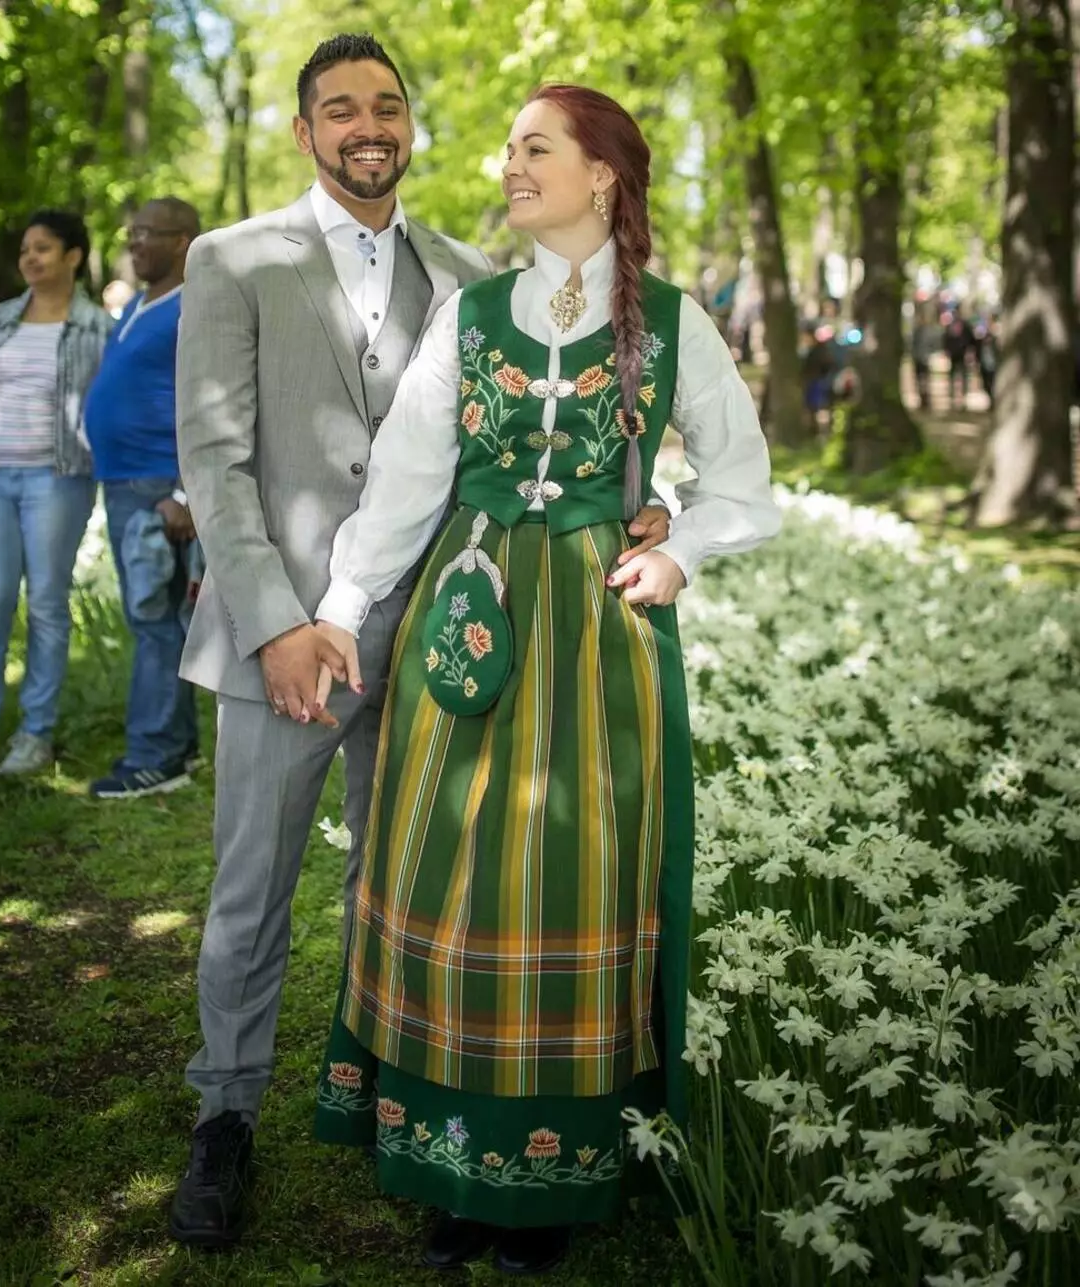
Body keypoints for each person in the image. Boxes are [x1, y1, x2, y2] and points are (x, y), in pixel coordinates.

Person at [168, 34, 674, 1249]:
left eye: (386, 105)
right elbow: (217, 463)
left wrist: (654, 501)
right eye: (340, 109)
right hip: (283, 641)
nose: (366, 125)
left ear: (411, 127)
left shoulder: (464, 276)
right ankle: (224, 1117)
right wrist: (280, 624)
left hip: (446, 648)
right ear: (305, 133)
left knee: (400, 889)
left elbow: (504, 451)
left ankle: (399, 1105)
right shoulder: (230, 261)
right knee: (254, 890)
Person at [308, 85, 781, 1276]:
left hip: (599, 636)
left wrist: (679, 549)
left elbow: (745, 483)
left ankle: (554, 1182)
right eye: (510, 146)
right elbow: (408, 484)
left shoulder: (672, 323)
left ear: (603, 176)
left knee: (571, 884)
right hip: (471, 618)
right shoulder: (471, 319)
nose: (509, 165)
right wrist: (343, 612)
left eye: (535, 149)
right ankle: (449, 1168)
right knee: (447, 866)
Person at [0, 210, 112, 784]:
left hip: (57, 481)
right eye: (24, 250)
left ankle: (35, 734)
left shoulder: (96, 327)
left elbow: (109, 407)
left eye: (43, 248)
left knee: (44, 606)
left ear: (73, 257)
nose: (30, 258)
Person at [84, 198, 202, 799]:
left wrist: (186, 491)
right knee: (155, 619)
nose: (133, 244)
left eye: (145, 234)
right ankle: (177, 748)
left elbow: (211, 402)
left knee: (155, 620)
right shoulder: (139, 301)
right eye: (130, 233)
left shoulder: (195, 305)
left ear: (183, 241)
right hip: (128, 482)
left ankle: (154, 757)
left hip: (160, 488)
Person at [942, 313, 975, 410]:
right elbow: (946, 340)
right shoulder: (950, 327)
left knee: (963, 378)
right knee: (953, 377)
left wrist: (970, 353)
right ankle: (953, 399)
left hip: (963, 356)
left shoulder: (965, 328)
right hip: (954, 356)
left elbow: (971, 341)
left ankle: (963, 399)